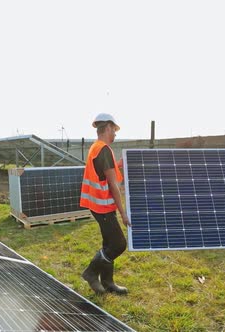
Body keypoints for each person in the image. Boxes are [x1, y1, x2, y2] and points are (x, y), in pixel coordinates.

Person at [79, 113, 130, 295]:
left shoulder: (96, 148)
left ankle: (108, 282)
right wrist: (123, 213)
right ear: (108, 127)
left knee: (109, 243)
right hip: (104, 207)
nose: (115, 134)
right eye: (114, 130)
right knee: (118, 244)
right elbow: (113, 185)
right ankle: (91, 272)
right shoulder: (104, 149)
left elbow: (103, 171)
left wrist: (118, 164)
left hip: (97, 206)